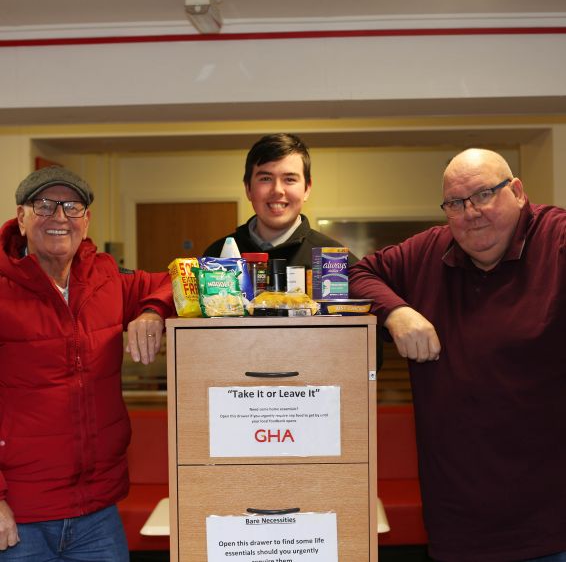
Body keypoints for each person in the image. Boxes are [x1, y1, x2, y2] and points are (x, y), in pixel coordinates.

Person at [350, 148, 566, 562]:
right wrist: (396, 311)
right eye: (455, 203)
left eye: (484, 194)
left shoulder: (556, 239)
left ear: (517, 192)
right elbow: (348, 275)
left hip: (552, 522)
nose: (471, 213)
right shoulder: (428, 251)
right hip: (458, 524)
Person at [0, 166, 174, 561]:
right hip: (20, 518)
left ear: (86, 219)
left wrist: (151, 311)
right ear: (22, 217)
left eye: (72, 207)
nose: (59, 217)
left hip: (97, 513)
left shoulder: (106, 279)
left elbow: (178, 281)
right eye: (44, 205)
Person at [203, 133, 357, 267]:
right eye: (265, 178)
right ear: (248, 188)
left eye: (289, 179)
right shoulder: (216, 256)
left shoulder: (334, 260)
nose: (277, 190)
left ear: (307, 189)